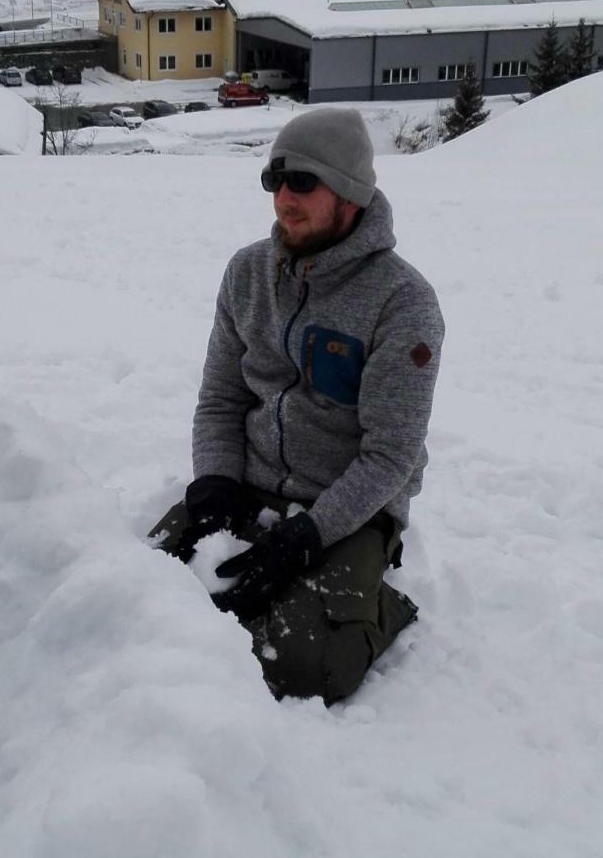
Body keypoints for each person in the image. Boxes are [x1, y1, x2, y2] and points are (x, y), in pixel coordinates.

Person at [149, 108, 445, 705]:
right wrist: (214, 483)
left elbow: (389, 457)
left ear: (352, 194)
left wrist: (308, 534)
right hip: (251, 484)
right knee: (141, 591)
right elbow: (221, 397)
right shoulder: (246, 273)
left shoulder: (404, 303)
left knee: (300, 668)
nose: (285, 197)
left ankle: (382, 607)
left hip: (350, 510)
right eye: (275, 180)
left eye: (304, 182)